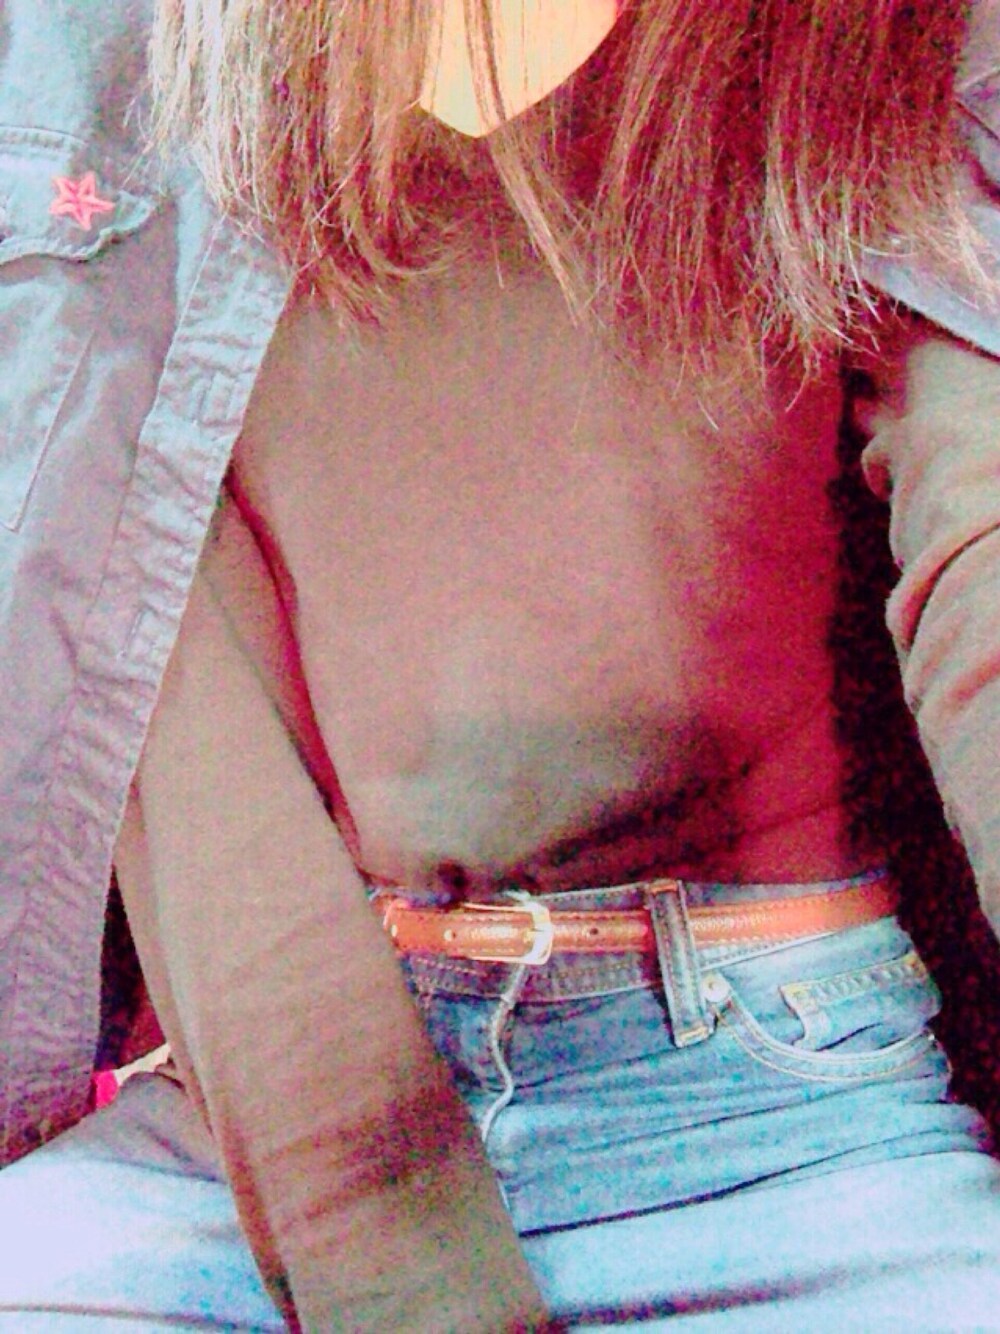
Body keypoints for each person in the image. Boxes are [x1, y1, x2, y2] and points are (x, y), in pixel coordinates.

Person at [2, 0, 1000, 1327]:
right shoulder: (120, 54)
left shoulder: (885, 40)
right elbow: (151, 680)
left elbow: (982, 547)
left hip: (787, 1105)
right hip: (261, 1130)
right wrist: (396, 1259)